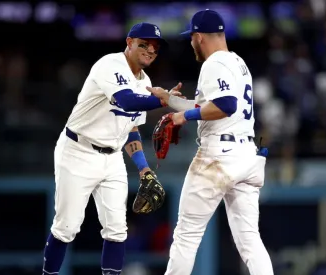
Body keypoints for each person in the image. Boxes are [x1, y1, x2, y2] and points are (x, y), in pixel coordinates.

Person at [42, 22, 181, 275]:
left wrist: (143, 169)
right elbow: (126, 101)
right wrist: (164, 99)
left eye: (155, 47)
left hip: (113, 157)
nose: (150, 50)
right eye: (144, 44)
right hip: (78, 150)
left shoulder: (146, 82)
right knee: (66, 228)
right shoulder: (110, 64)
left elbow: (131, 129)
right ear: (129, 43)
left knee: (117, 230)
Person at [146, 9, 274, 275]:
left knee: (186, 236)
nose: (191, 43)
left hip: (219, 155)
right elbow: (209, 105)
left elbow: (225, 105)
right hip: (247, 156)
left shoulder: (213, 63)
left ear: (199, 36)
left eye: (192, 37)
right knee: (250, 240)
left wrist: (185, 116)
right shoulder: (238, 63)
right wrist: (169, 100)